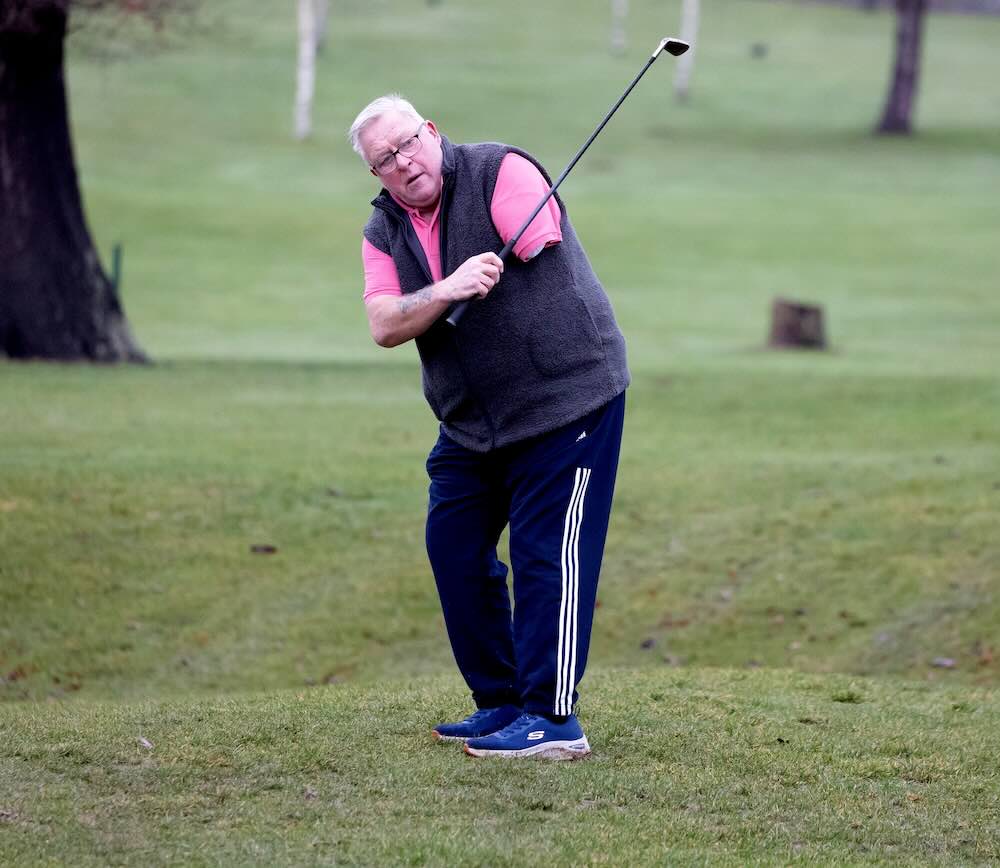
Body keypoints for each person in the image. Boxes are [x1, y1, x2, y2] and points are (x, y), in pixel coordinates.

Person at [349, 94, 629, 760]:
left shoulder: (501, 172)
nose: (405, 162)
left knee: (546, 555)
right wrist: (448, 286)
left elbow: (537, 233)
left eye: (409, 142)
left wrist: (497, 248)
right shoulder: (383, 230)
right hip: (473, 425)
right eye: (386, 159)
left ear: (431, 132)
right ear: (375, 175)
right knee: (453, 545)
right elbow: (385, 324)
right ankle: (502, 702)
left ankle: (554, 719)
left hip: (566, 402)